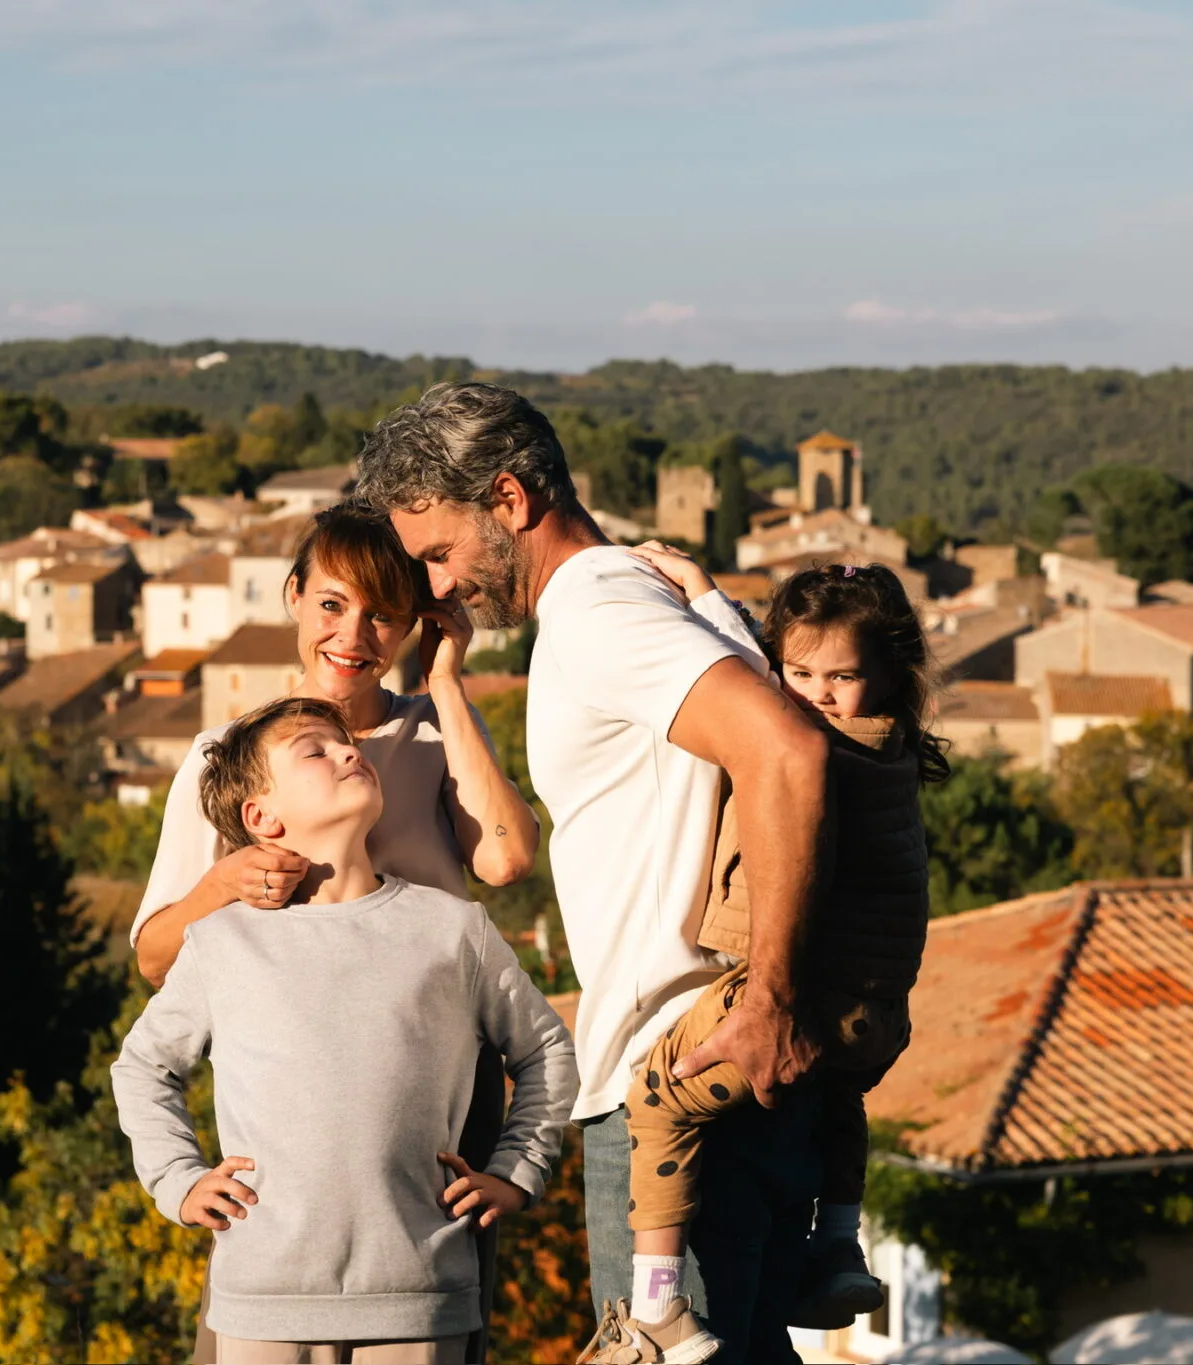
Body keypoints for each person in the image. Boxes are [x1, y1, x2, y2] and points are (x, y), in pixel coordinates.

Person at [354, 383, 834, 1364]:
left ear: (507, 498)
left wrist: (773, 1002)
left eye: (439, 553)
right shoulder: (635, 597)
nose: (437, 588)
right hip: (711, 1073)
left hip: (674, 1077)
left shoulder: (594, 613)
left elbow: (788, 753)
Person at [131, 502, 541, 1363]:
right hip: (292, 1158)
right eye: (331, 603)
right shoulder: (228, 757)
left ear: (412, 623)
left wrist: (450, 684)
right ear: (293, 596)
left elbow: (504, 860)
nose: (353, 633)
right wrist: (221, 884)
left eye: (382, 612)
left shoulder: (435, 735)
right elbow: (156, 960)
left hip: (435, 1132)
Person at [112, 696, 579, 1365]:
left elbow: (546, 1051)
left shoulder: (453, 930)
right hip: (261, 1302)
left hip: (422, 1297)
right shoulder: (221, 943)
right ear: (260, 817)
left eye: (346, 744)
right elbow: (141, 1067)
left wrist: (518, 1171)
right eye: (315, 749)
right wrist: (178, 1180)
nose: (348, 751)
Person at [592, 550, 946, 1359]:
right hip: (876, 1012)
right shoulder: (892, 749)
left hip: (800, 991)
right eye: (802, 672)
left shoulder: (810, 750)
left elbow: (747, 688)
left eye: (842, 677)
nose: (819, 693)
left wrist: (711, 603)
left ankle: (656, 1307)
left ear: (887, 674)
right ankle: (838, 1248)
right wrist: (714, 597)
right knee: (836, 1104)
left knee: (655, 1096)